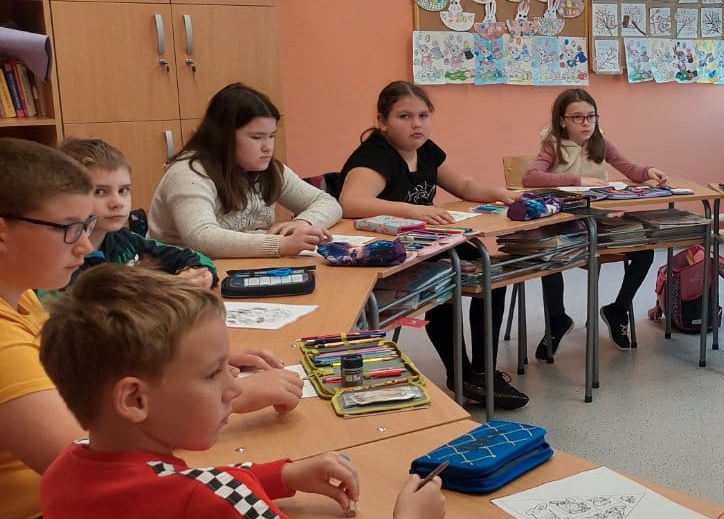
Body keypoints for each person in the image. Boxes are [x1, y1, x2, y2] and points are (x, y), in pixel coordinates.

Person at [28, 265, 445, 519]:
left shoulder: (66, 469)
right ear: (135, 399)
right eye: (213, 373)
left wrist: (282, 476)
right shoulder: (208, 504)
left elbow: (158, 493)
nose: (234, 387)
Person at [0, 140, 301, 519]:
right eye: (68, 228)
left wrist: (194, 364)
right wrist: (227, 394)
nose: (84, 244)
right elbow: (97, 457)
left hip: (65, 514)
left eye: (86, 226)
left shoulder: (19, 296)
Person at [337, 81, 526, 410]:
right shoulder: (376, 155)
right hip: (390, 250)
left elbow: (464, 185)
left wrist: (499, 193)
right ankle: (460, 374)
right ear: (382, 121)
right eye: (404, 116)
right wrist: (412, 210)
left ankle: (483, 371)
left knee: (490, 273)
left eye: (423, 116)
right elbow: (350, 202)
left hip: (428, 240)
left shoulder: (425, 150)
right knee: (445, 279)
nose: (417, 124)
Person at [522, 88, 669, 355]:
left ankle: (618, 309)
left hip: (597, 222)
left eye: (591, 116)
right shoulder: (553, 145)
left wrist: (648, 171)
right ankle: (557, 319)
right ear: (562, 120)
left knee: (644, 250)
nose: (586, 123)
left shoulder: (601, 143)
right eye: (577, 117)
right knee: (549, 255)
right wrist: (577, 181)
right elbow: (530, 177)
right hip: (563, 224)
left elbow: (629, 168)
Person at [148, 82, 342, 258]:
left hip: (243, 266)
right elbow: (201, 237)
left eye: (271, 136)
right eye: (257, 137)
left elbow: (327, 202)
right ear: (225, 137)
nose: (268, 147)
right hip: (181, 274)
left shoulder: (269, 169)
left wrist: (303, 223)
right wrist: (280, 244)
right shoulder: (188, 173)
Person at [57, 138, 217, 290]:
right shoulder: (60, 261)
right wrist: (166, 288)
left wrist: (199, 274)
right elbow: (99, 303)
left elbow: (197, 258)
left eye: (123, 190)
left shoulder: (127, 241)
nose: (118, 202)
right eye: (100, 192)